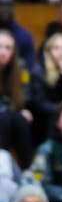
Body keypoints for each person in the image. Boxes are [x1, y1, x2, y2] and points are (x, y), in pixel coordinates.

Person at [0, 28, 34, 169]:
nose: (3, 52)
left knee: (20, 119)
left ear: (13, 52)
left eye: (8, 48)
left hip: (9, 117)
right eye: (0, 46)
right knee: (7, 118)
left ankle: (27, 171)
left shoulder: (20, 70)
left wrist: (23, 110)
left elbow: (22, 98)